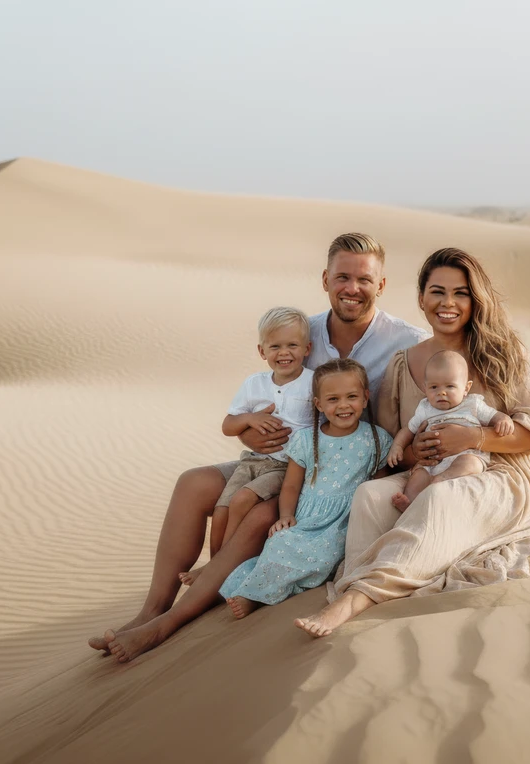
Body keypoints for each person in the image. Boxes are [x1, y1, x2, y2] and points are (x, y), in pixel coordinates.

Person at [88, 233, 426, 663]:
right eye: (342, 276)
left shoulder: (407, 341)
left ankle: (170, 624)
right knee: (193, 484)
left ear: (381, 285)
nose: (352, 288)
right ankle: (151, 609)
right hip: (281, 455)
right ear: (325, 279)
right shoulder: (303, 331)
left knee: (263, 514)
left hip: (340, 471)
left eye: (364, 279)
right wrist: (249, 432)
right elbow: (267, 399)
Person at [295, 247, 530, 639]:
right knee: (371, 496)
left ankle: (358, 599)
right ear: (421, 298)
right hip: (425, 472)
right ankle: (357, 579)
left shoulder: (504, 352)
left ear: (475, 300)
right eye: (437, 292)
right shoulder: (404, 362)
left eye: (461, 293)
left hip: (498, 472)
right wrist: (412, 454)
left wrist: (474, 436)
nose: (448, 303)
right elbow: (392, 442)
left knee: (439, 499)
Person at [219, 359, 392, 619]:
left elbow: (379, 486)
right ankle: (252, 592)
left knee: (325, 555)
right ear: (319, 405)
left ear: (366, 398)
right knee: (280, 542)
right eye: (333, 399)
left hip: (345, 521)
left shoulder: (377, 438)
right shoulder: (306, 439)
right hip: (307, 516)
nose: (343, 406)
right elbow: (290, 485)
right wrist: (286, 516)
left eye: (352, 397)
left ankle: (263, 594)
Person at [178, 307, 314, 586]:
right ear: (262, 351)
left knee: (242, 500)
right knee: (222, 508)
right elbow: (228, 425)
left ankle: (218, 569)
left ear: (307, 348)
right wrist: (250, 418)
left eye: (292, 345)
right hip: (253, 460)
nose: (284, 353)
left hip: (288, 465)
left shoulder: (313, 382)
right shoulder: (254, 384)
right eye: (275, 346)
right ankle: (215, 567)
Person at [385, 349, 514, 513]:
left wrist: (503, 419)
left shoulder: (472, 405)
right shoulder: (425, 408)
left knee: (470, 463)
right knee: (418, 476)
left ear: (466, 388)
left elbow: (493, 416)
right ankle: (410, 504)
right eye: (434, 387)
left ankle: (443, 480)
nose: (441, 392)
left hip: (464, 456)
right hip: (433, 463)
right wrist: (397, 446)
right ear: (425, 388)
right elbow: (408, 430)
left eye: (450, 386)